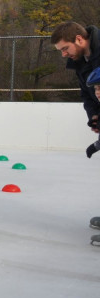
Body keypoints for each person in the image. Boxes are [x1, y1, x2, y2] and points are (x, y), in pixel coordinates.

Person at [50, 22, 100, 230]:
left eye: (65, 48)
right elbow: (86, 94)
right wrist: (94, 116)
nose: (64, 54)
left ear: (79, 39)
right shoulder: (81, 62)